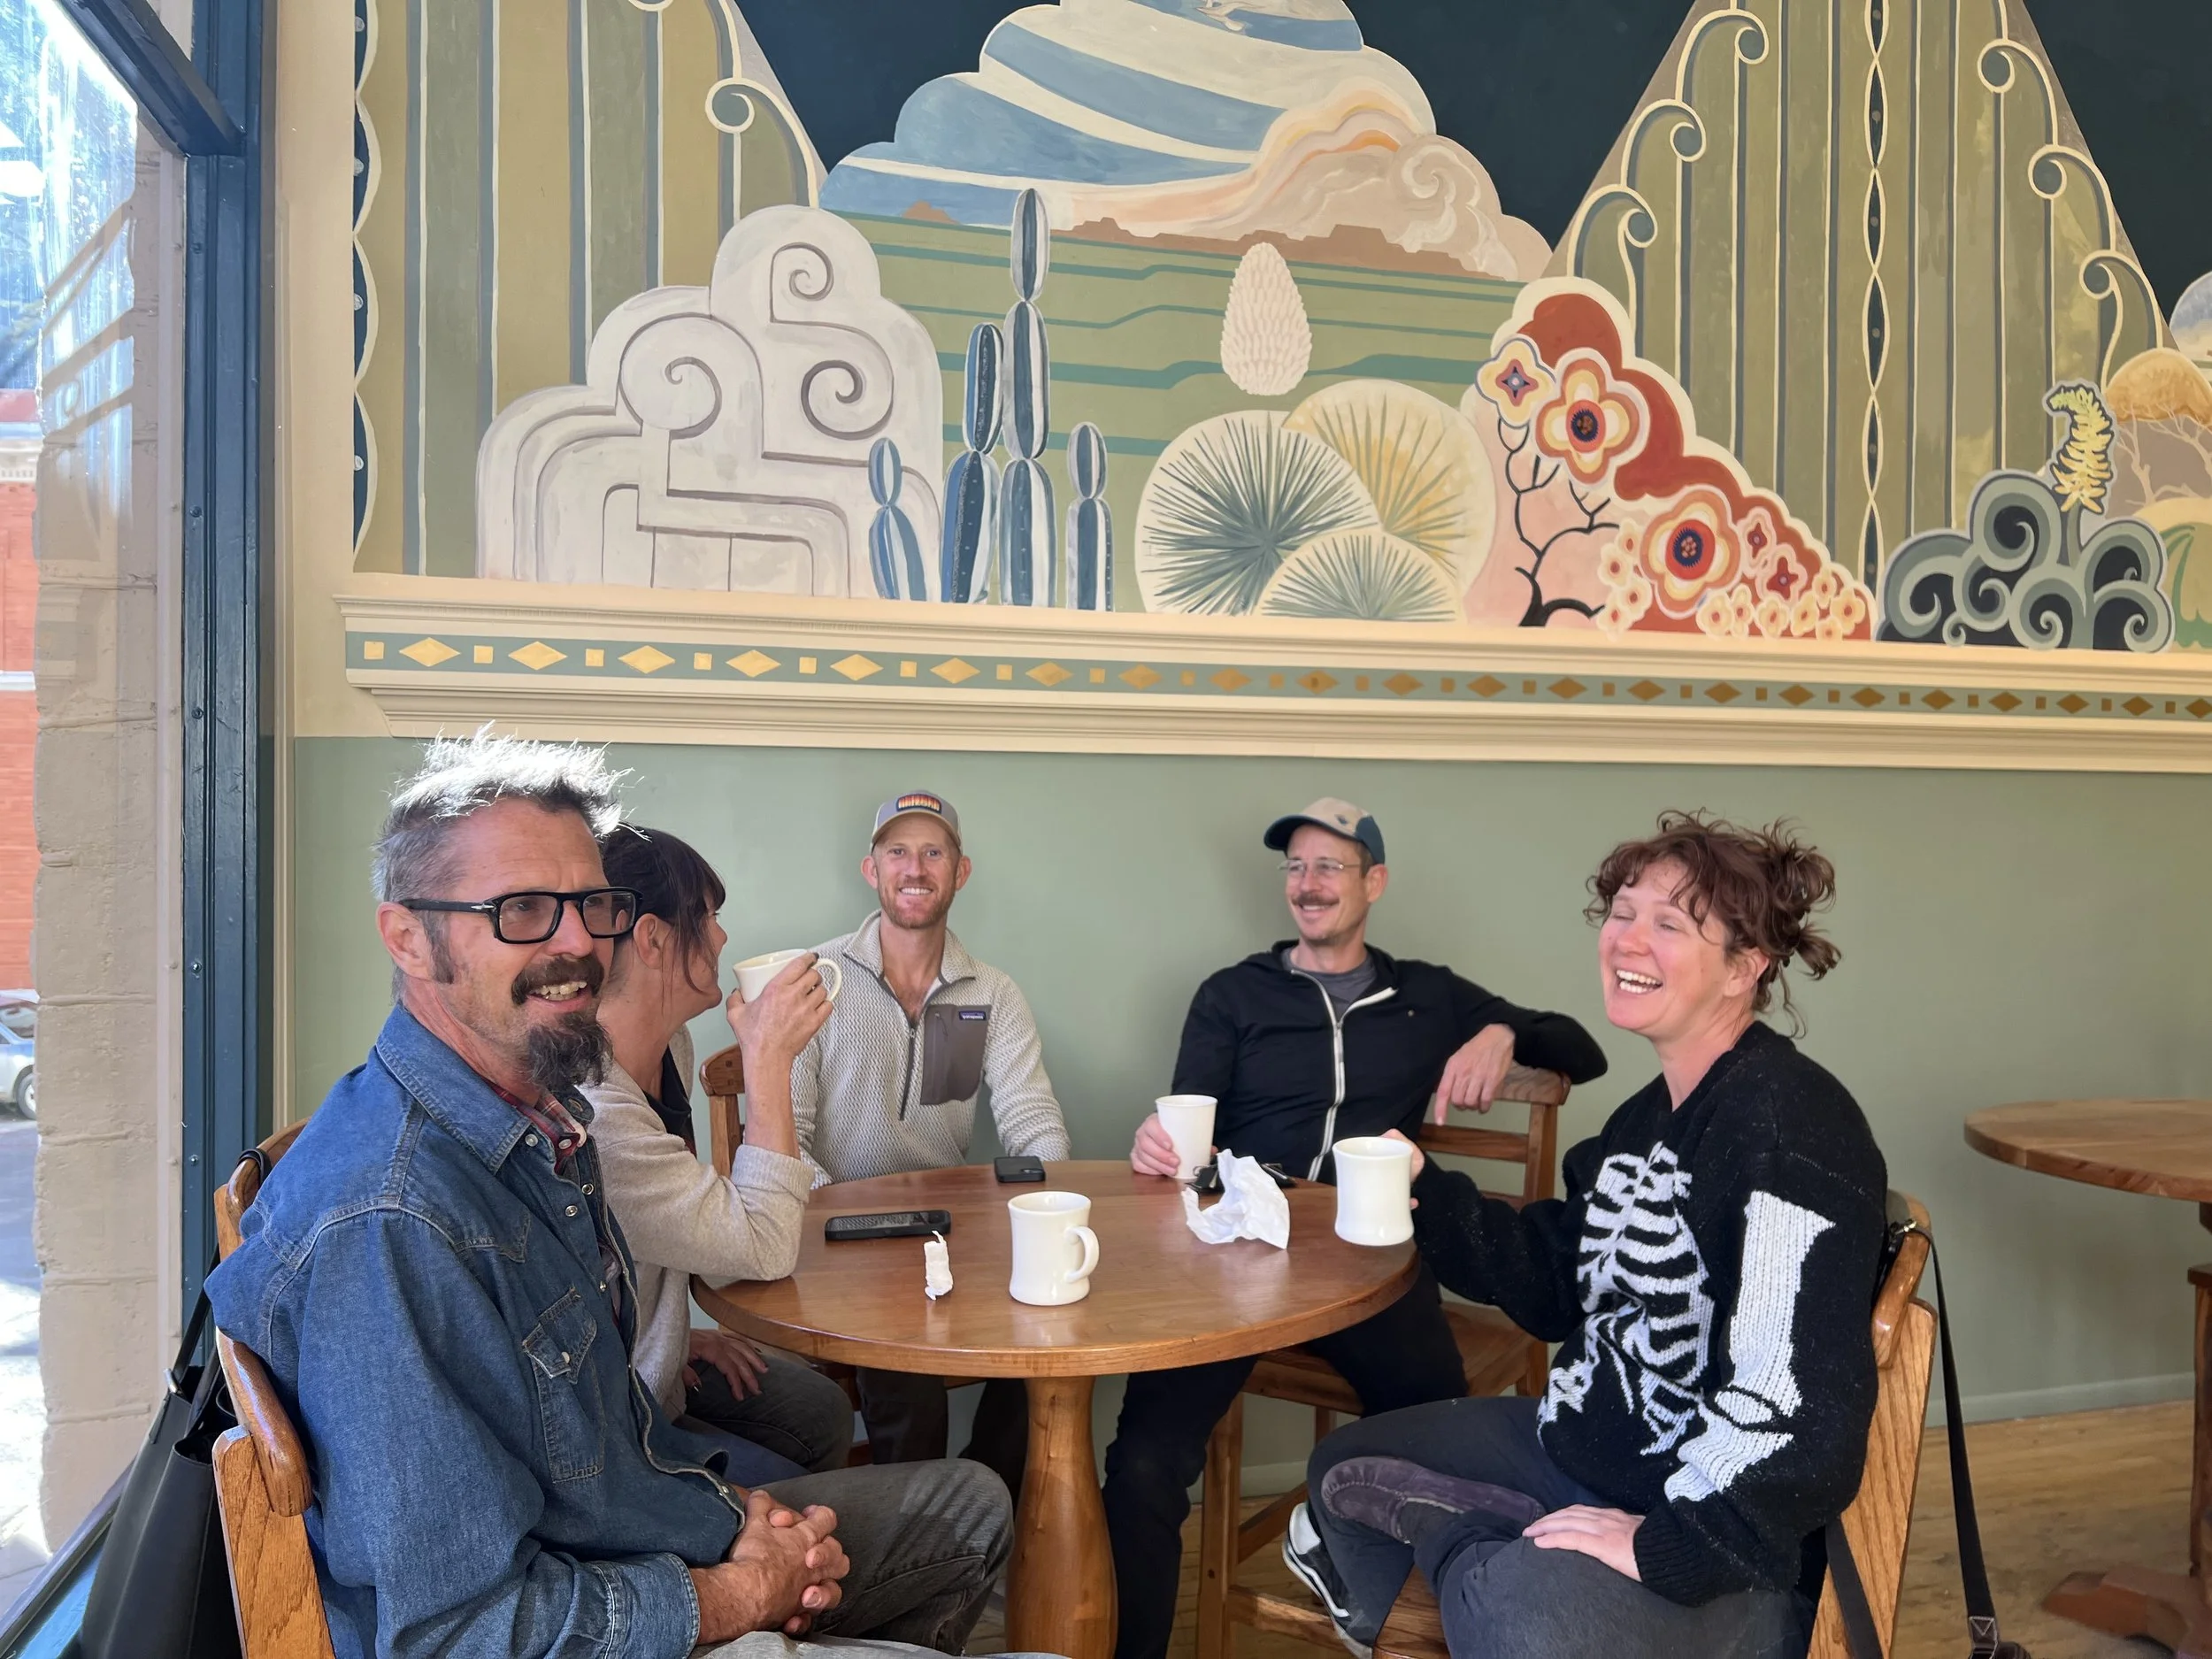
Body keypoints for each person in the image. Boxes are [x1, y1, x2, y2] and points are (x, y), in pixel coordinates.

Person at [206, 733, 1018, 1659]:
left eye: (591, 906)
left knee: (963, 1503)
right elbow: (454, 1634)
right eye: (521, 910)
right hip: (587, 1617)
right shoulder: (395, 1223)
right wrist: (741, 1589)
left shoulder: (537, 1119)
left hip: (619, 1541)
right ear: (407, 938)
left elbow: (602, 1423)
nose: (577, 943)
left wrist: (732, 1520)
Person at [1287, 811, 1888, 1659]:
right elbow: (1554, 1281)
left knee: (1520, 1613)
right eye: (1622, 912)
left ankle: (1491, 1548)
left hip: (1726, 1554)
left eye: (1669, 924)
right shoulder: (1647, 1118)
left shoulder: (1791, 1127)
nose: (1628, 940)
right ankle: (1507, 1543)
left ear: (1745, 967)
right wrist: (1425, 1190)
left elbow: (1797, 1413)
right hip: (1586, 1445)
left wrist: (1653, 1547)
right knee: (1340, 1469)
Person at [1109, 797, 1609, 1659]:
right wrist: (1162, 1148)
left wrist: (1500, 1028)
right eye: (1296, 868)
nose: (1308, 885)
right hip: (1239, 1255)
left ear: (1373, 883)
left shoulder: (1426, 994)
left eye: (1329, 867)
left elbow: (1581, 1049)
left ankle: (1423, 1631)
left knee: (1436, 1438)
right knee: (1142, 1464)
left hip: (1372, 1257)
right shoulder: (1233, 995)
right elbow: (1191, 1134)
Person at [792, 789, 1070, 1494]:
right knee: (901, 1347)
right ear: (871, 868)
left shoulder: (994, 992)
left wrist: (1046, 1217)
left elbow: (1033, 1119)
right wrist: (844, 1217)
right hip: (839, 1237)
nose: (914, 867)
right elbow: (782, 1139)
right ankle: (921, 1533)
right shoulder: (813, 981)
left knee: (1050, 1335)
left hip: (949, 1237)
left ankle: (976, 1502)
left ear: (960, 870)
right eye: (898, 851)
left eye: (932, 851)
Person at [583, 821, 854, 1485]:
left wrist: (675, 1336)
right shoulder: (597, 1114)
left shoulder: (669, 1050)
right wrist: (769, 1061)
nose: (724, 935)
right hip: (616, 1427)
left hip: (643, 1367)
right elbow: (765, 1245)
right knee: (943, 1502)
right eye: (707, 915)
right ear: (652, 937)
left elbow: (653, 1240)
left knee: (821, 1408)